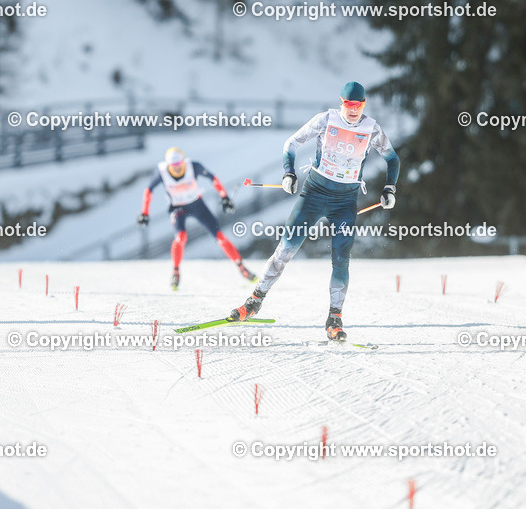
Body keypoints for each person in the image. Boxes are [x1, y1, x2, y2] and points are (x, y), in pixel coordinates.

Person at [225, 81, 400, 342]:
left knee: (341, 259)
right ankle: (253, 302)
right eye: (349, 104)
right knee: (286, 249)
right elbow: (291, 143)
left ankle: (335, 318)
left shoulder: (371, 128)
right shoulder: (326, 120)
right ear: (341, 103)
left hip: (345, 202)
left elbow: (392, 159)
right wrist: (288, 173)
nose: (354, 110)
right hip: (314, 195)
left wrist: (390, 188)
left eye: (359, 105)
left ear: (364, 104)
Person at [138, 147, 256, 290]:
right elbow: (148, 190)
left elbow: (213, 178)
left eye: (179, 164)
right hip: (178, 209)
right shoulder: (161, 172)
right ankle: (175, 272)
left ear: (183, 161)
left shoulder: (193, 166)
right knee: (181, 237)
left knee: (220, 236)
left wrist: (224, 197)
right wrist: (144, 212)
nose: (176, 168)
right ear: (168, 165)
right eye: (173, 165)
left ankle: (242, 268)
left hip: (197, 205)